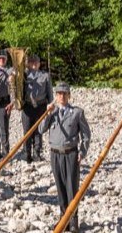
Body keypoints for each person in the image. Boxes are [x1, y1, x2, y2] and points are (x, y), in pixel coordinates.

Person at [42, 83, 90, 233]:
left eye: (64, 93)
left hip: (71, 154)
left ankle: (74, 220)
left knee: (72, 188)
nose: (62, 96)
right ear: (56, 96)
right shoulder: (52, 112)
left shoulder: (77, 112)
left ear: (69, 95)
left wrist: (82, 151)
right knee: (60, 188)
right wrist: (47, 114)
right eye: (59, 94)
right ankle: (64, 219)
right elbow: (41, 129)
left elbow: (86, 134)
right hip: (55, 154)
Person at [22, 54, 54, 162]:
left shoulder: (45, 75)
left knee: (38, 131)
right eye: (32, 62)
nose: (34, 64)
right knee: (27, 131)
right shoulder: (24, 75)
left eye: (36, 62)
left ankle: (37, 153)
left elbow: (49, 92)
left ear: (39, 63)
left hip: (41, 106)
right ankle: (27, 153)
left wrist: (50, 105)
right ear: (29, 64)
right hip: (27, 106)